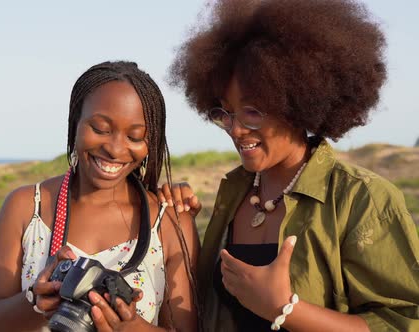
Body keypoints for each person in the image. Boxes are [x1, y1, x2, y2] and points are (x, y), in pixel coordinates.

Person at [162, 0, 419, 331]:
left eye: (253, 111)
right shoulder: (233, 193)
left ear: (297, 103)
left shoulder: (361, 199)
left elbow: (404, 321)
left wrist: (285, 310)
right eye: (224, 113)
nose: (236, 129)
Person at [0, 61, 199, 332]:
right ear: (75, 122)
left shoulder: (170, 223)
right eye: (100, 129)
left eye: (135, 136)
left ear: (149, 143)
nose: (115, 149)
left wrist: (132, 327)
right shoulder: (25, 207)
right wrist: (36, 301)